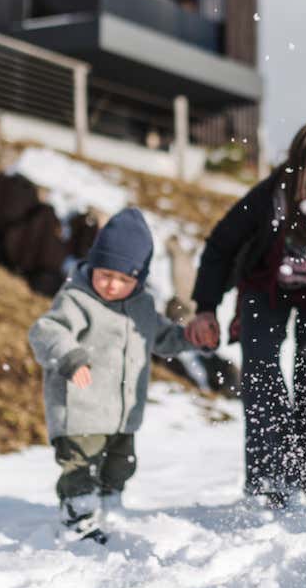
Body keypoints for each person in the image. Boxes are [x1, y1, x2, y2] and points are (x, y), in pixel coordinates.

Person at [185, 122, 306, 507]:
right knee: (259, 359)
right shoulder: (269, 198)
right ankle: (268, 478)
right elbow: (222, 245)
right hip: (266, 284)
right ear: (296, 174)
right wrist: (205, 308)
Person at [29, 207, 195, 543]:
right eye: (105, 274)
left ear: (140, 278)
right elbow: (47, 330)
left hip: (122, 412)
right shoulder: (77, 299)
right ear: (93, 263)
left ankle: (109, 505)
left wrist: (191, 338)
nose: (112, 285)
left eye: (124, 279)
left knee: (120, 465)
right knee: (80, 466)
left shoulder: (142, 306)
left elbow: (161, 337)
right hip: (79, 409)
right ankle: (78, 513)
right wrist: (71, 358)